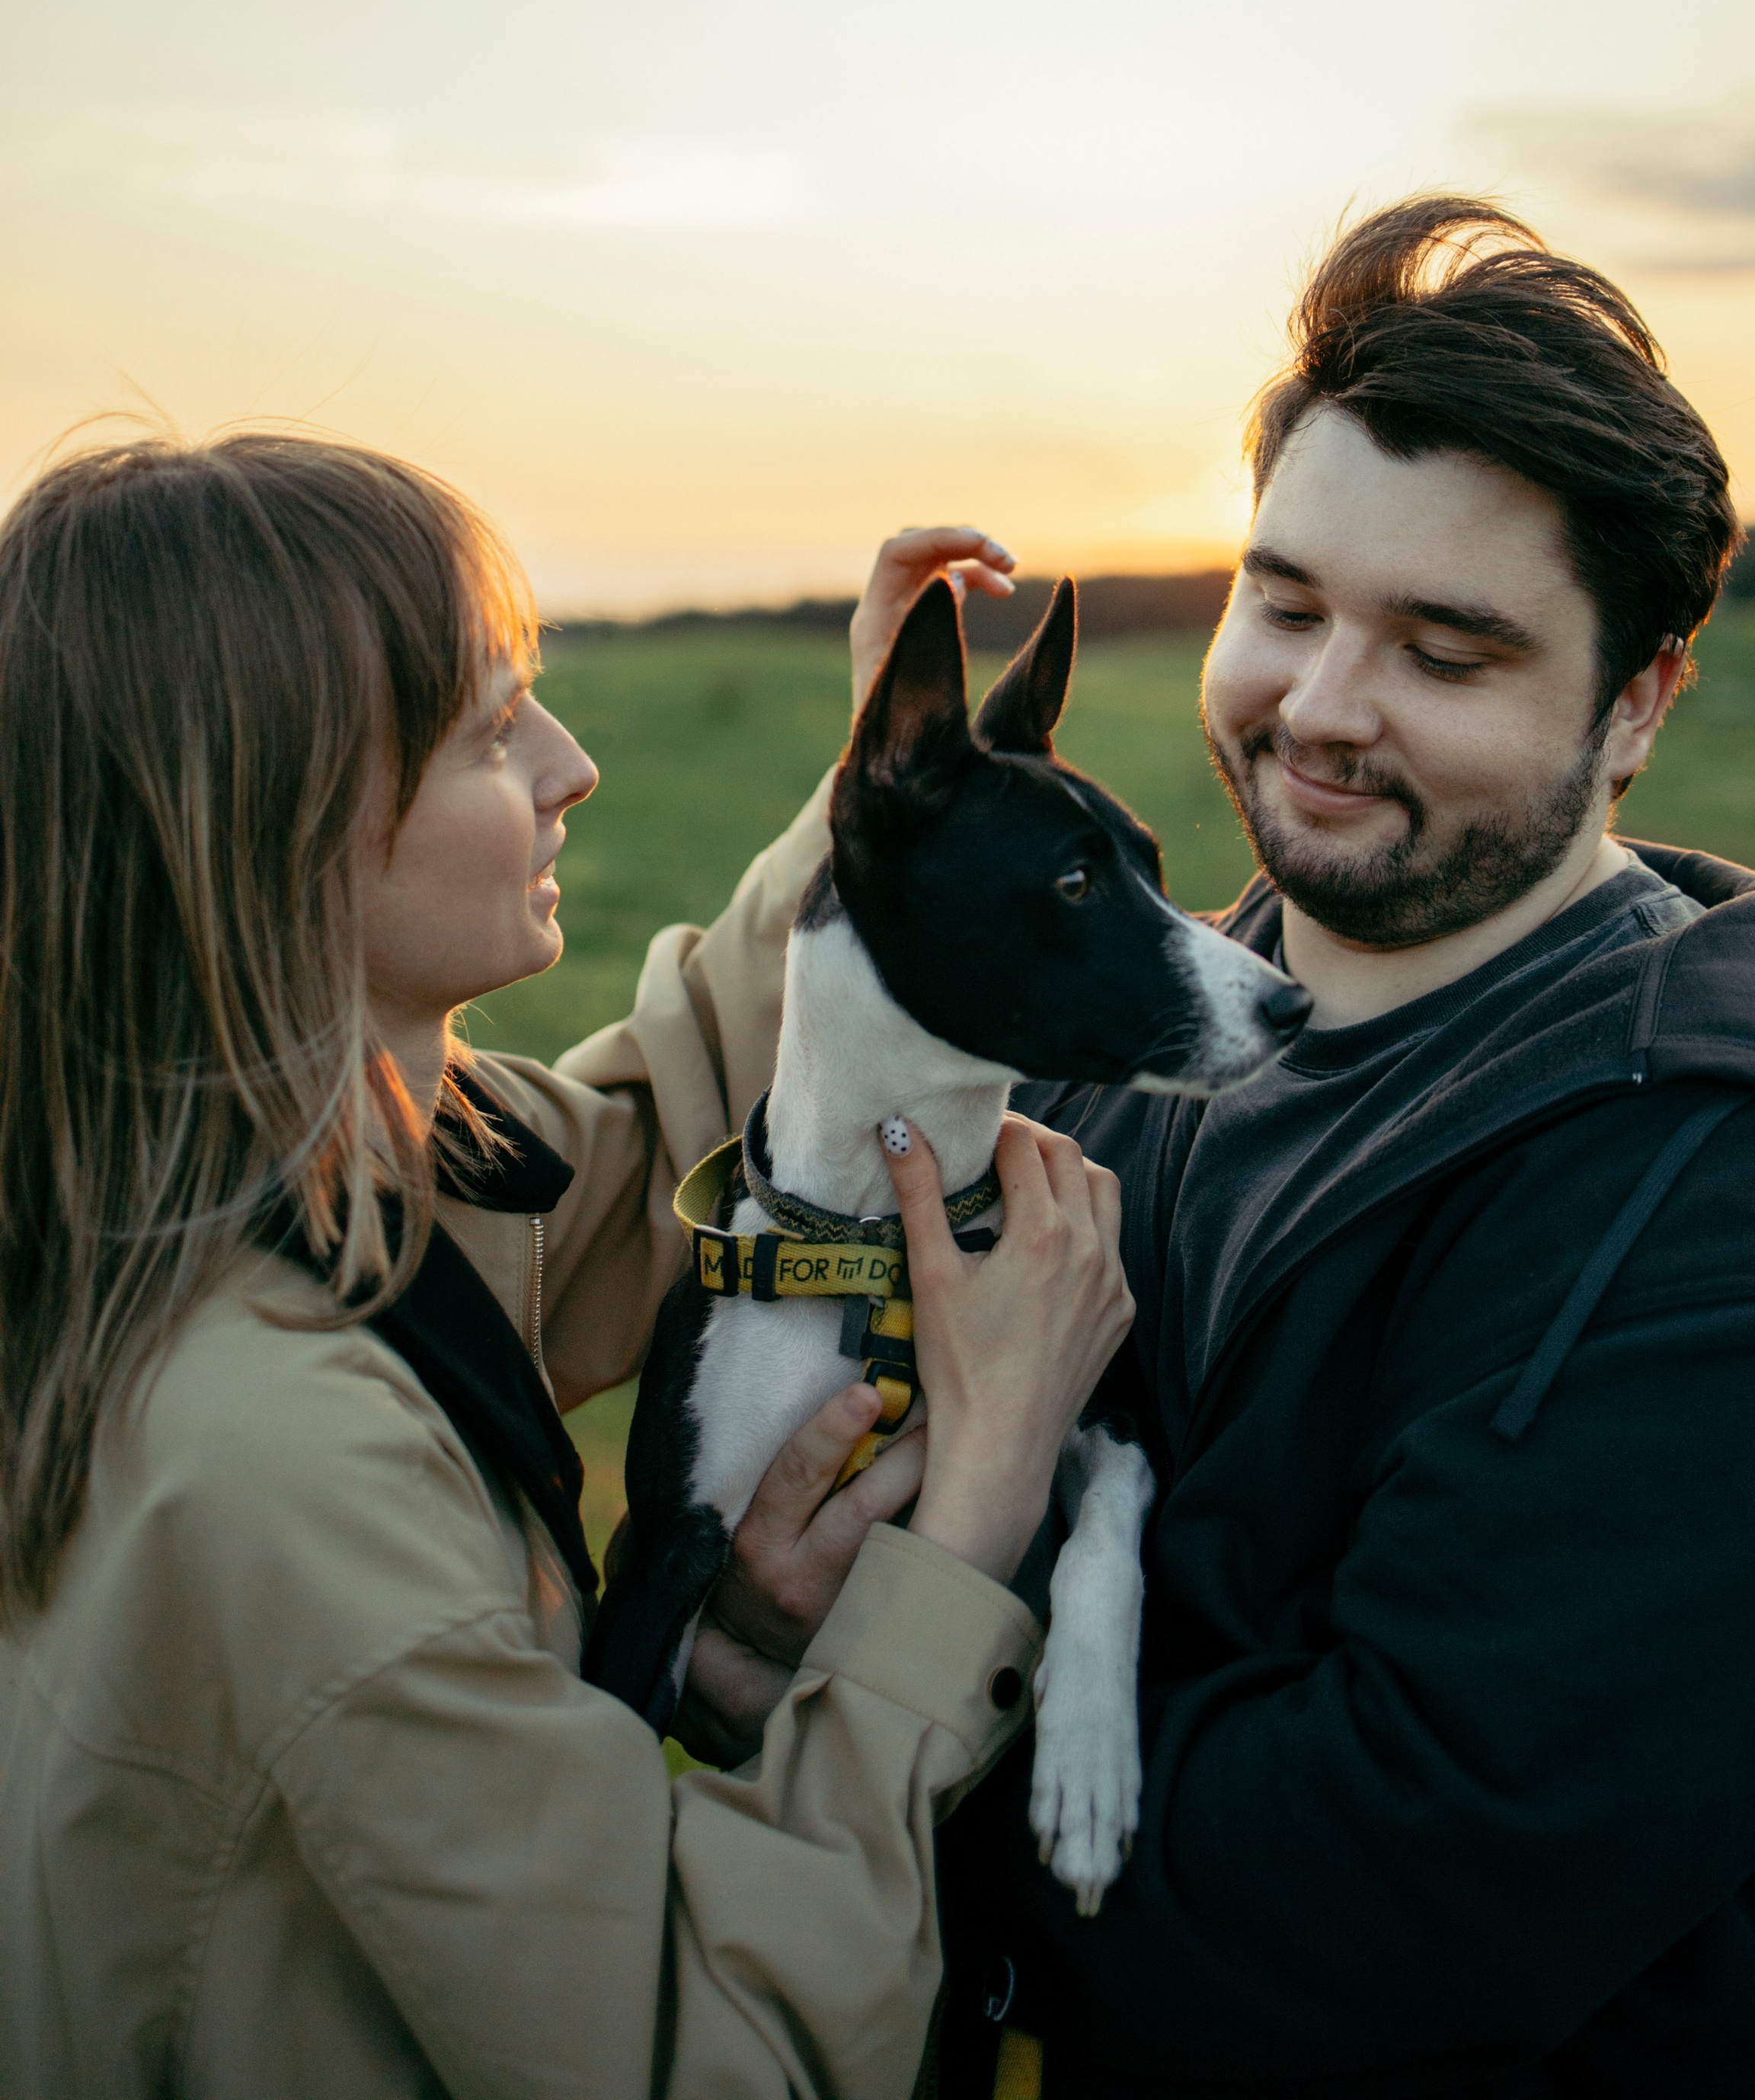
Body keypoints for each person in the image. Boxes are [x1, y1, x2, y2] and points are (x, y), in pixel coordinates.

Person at [733, 199, 1755, 2098]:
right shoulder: (1101, 1058)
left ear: (1631, 707)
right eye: (1286, 603)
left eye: (1443, 654)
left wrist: (832, 1701)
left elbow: (1351, 1943)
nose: (1315, 708)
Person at [0, 436, 1132, 2100]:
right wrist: (968, 1526)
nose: (572, 763)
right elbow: (707, 2060)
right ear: (277, 825)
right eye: (489, 728)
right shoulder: (286, 1465)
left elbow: (646, 1122)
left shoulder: (273, 1184)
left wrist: (880, 808)